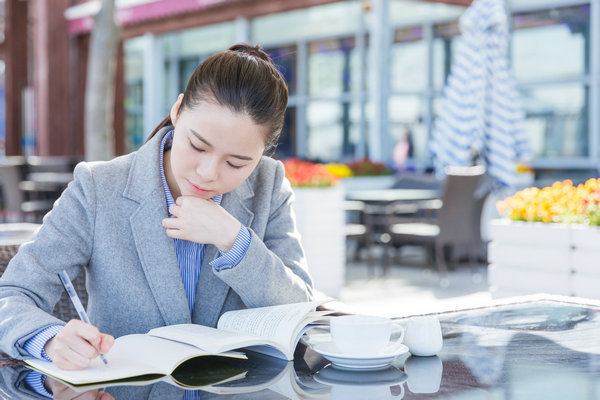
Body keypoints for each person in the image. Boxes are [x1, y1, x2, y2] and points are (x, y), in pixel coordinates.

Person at [0, 43, 314, 397]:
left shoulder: (269, 185)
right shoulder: (98, 187)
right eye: (197, 146)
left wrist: (234, 240)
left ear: (263, 154)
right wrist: (50, 339)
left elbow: (300, 308)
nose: (208, 173)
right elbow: (11, 295)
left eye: (236, 163)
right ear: (178, 111)